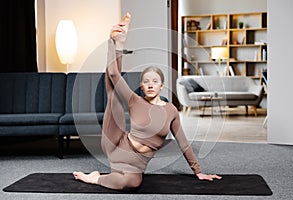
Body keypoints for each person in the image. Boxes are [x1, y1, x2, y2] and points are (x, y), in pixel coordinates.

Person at [73, 13, 221, 190]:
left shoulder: (170, 110)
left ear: (162, 86)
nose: (150, 85)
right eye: (146, 82)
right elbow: (113, 74)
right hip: (116, 145)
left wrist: (198, 171)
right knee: (113, 95)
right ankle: (92, 179)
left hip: (136, 164)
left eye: (155, 81)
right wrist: (114, 43)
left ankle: (98, 177)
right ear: (142, 86)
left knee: (133, 182)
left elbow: (183, 142)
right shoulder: (135, 101)